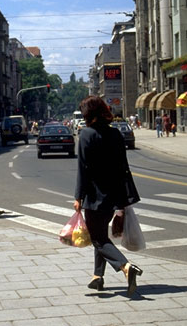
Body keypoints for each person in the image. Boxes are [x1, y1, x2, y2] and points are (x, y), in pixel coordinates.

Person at [74, 95, 142, 298]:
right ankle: (97, 276)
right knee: (101, 233)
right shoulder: (116, 134)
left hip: (95, 195)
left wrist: (78, 196)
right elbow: (123, 167)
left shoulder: (86, 134)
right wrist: (123, 198)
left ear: (88, 115)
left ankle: (125, 266)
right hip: (113, 194)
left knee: (97, 238)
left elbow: (83, 169)